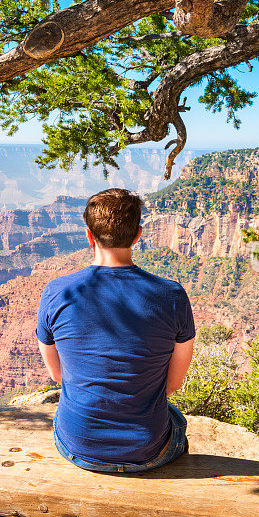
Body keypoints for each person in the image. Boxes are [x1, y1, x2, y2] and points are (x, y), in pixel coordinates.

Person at [36, 188, 196, 473]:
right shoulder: (172, 296)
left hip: (77, 446)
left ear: (89, 236)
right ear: (137, 235)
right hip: (149, 450)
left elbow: (58, 376)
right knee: (175, 418)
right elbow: (172, 385)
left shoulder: (56, 292)